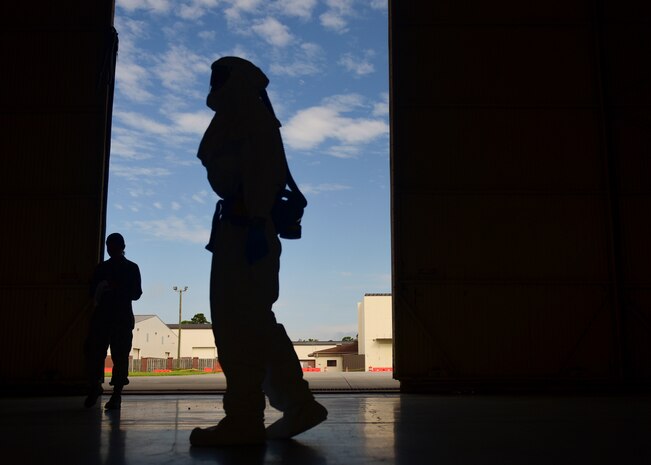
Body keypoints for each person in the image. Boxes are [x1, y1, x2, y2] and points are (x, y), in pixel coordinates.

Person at [190, 56, 327, 447]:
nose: (213, 85)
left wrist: (251, 225)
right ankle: (294, 402)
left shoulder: (251, 122)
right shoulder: (250, 121)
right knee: (253, 324)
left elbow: (248, 178)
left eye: (220, 77)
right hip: (243, 228)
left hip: (247, 230)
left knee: (239, 327)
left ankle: (245, 418)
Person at [84, 232, 142, 410]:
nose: (111, 249)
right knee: (108, 355)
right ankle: (105, 390)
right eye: (109, 246)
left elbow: (136, 293)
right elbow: (136, 293)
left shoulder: (106, 268)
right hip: (115, 318)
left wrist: (115, 289)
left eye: (113, 246)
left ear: (121, 247)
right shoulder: (127, 268)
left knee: (113, 355)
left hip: (112, 318)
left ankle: (111, 393)